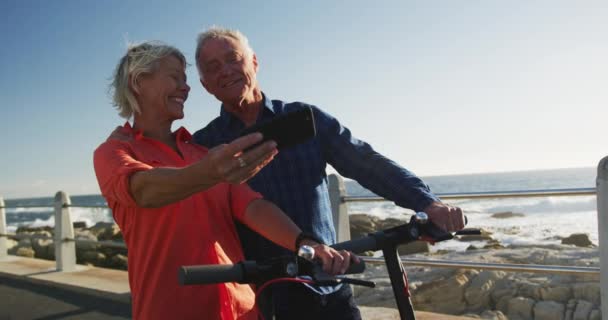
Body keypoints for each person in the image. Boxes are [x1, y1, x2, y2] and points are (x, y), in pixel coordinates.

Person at [191, 27, 467, 320]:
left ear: (254, 62)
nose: (226, 71)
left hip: (329, 284)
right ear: (205, 84)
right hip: (261, 298)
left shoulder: (304, 119)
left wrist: (427, 203)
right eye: (213, 67)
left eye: (233, 59)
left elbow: (363, 161)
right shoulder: (203, 145)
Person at [94, 41, 356, 320]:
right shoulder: (114, 152)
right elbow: (144, 189)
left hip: (242, 310)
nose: (186, 87)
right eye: (174, 77)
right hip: (170, 311)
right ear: (138, 81)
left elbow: (252, 206)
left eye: (185, 78)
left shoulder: (200, 151)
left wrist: (306, 243)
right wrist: (209, 173)